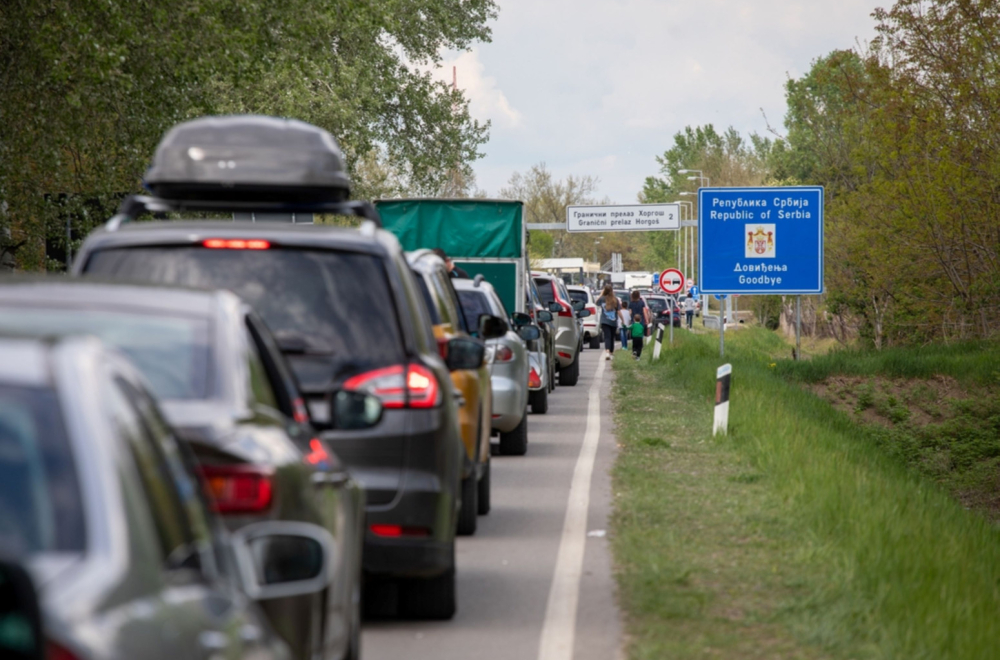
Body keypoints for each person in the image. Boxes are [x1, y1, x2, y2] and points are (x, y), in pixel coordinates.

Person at [596, 283, 623, 361]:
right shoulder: (615, 299)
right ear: (612, 291)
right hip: (613, 321)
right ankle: (611, 352)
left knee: (607, 337)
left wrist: (601, 294)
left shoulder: (602, 299)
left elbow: (596, 302)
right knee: (612, 337)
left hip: (604, 321)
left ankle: (607, 351)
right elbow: (618, 311)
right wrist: (623, 320)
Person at [627, 290, 650, 356]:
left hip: (633, 320)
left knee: (634, 335)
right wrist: (647, 320)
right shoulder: (642, 302)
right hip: (641, 320)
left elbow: (630, 312)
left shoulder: (631, 303)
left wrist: (629, 320)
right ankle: (638, 348)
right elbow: (644, 312)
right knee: (640, 334)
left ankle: (634, 348)